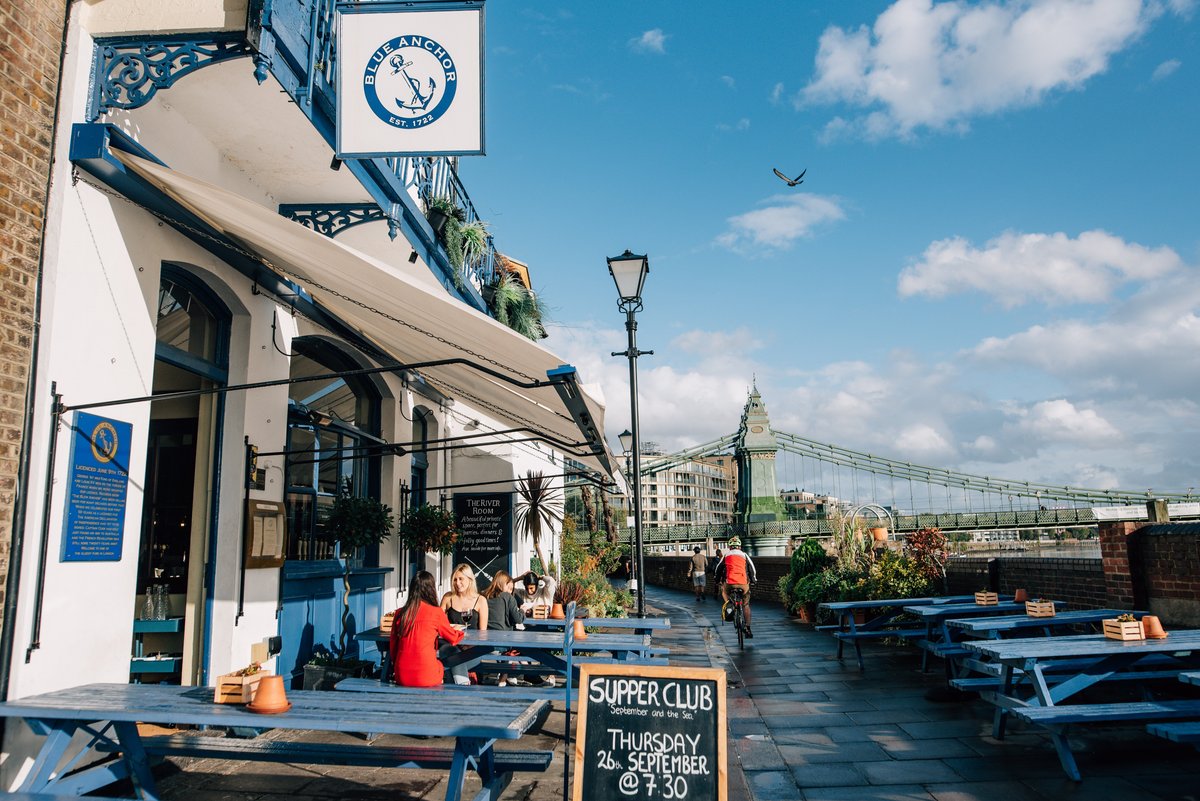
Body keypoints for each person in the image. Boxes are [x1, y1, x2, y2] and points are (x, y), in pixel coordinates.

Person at [389, 570, 464, 687]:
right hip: (426, 675)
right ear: (431, 589)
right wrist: (461, 632)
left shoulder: (399, 613)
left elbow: (393, 646)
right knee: (443, 665)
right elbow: (453, 638)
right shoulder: (436, 612)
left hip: (401, 674)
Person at [440, 563, 488, 685]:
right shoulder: (448, 598)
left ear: (470, 580)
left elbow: (483, 633)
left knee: (453, 664)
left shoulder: (480, 601)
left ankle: (458, 695)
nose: (457, 583)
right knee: (451, 653)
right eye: (455, 579)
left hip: (473, 650)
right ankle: (463, 690)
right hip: (450, 646)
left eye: (461, 579)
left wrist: (471, 644)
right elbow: (438, 623)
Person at [482, 570, 527, 687]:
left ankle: (506, 676)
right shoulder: (507, 597)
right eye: (510, 588)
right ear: (502, 584)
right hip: (503, 643)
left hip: (484, 642)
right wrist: (523, 609)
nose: (510, 591)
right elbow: (519, 619)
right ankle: (506, 676)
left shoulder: (484, 595)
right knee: (520, 646)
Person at [716, 536, 757, 638]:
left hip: (729, 583)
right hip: (743, 583)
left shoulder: (726, 556)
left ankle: (729, 604)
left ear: (730, 547)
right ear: (740, 547)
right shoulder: (744, 555)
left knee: (724, 592)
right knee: (746, 604)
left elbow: (718, 570)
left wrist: (717, 580)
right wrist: (753, 580)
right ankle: (748, 627)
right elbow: (752, 569)